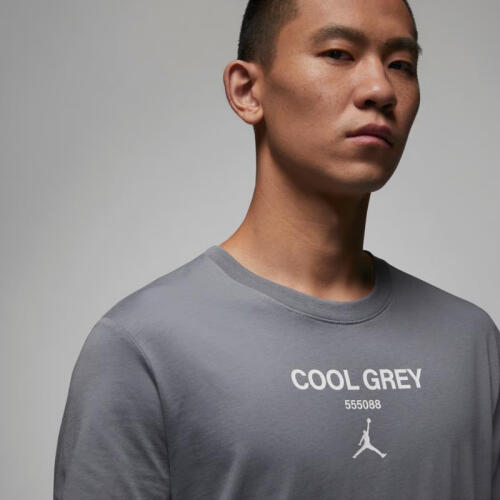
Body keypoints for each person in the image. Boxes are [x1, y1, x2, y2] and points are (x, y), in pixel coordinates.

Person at [53, 0, 500, 499]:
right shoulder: (144, 348)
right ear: (247, 90)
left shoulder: (471, 344)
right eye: (338, 53)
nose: (380, 89)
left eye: (401, 64)